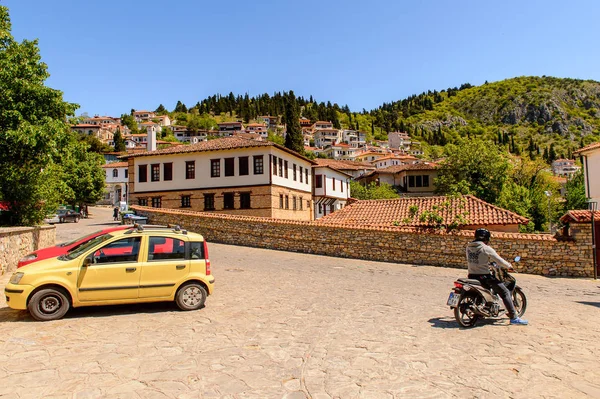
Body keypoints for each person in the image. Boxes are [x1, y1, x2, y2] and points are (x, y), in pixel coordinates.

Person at [466, 228, 528, 325]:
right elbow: (499, 260)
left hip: (471, 276)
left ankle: (481, 311)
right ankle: (513, 317)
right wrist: (509, 266)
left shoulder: (469, 247)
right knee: (505, 292)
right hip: (484, 277)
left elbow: (477, 260)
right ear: (486, 238)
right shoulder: (485, 248)